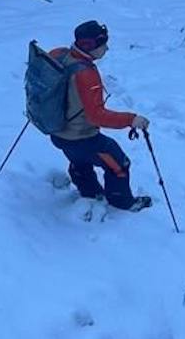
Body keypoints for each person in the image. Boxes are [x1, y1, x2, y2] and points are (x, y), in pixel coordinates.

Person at [42, 21, 151, 212]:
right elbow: (96, 116)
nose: (107, 48)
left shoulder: (57, 54)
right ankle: (122, 203)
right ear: (89, 46)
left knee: (79, 160)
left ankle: (91, 192)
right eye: (103, 45)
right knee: (119, 164)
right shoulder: (86, 74)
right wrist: (131, 119)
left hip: (57, 133)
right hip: (80, 138)